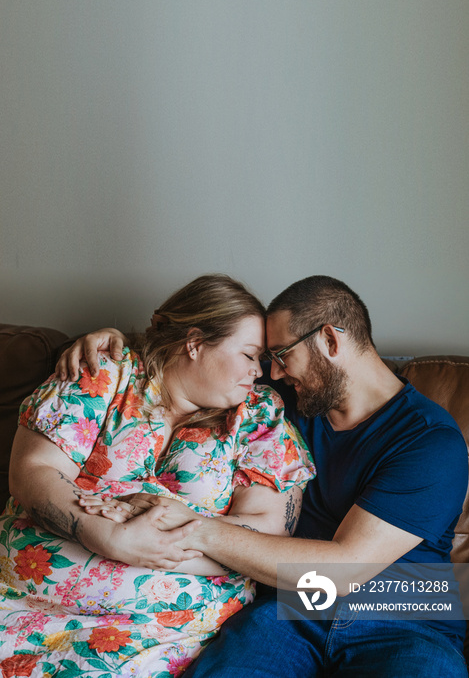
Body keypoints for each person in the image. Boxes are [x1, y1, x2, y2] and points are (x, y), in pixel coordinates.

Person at [61, 275, 469, 677]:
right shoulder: (284, 403)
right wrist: (113, 342)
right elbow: (194, 359)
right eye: (265, 358)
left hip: (407, 623)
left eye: (282, 354)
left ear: (330, 340)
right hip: (289, 613)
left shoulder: (431, 441)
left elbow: (344, 569)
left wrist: (195, 529)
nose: (271, 372)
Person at [0, 274, 315, 678]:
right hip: (23, 602)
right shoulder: (105, 371)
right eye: (250, 355)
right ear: (195, 343)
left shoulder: (257, 416)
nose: (261, 372)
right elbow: (33, 472)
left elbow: (269, 534)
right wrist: (108, 535)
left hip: (157, 629)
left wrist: (154, 523)